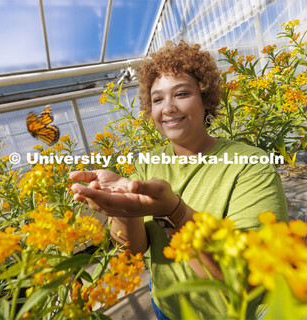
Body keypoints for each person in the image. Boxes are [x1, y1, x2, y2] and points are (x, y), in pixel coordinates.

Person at [70, 41, 288, 320]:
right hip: (168, 307)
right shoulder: (148, 162)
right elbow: (132, 253)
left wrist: (174, 213)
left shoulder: (250, 165)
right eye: (157, 99)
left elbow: (248, 277)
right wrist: (121, 210)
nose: (168, 108)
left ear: (206, 99)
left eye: (181, 94)